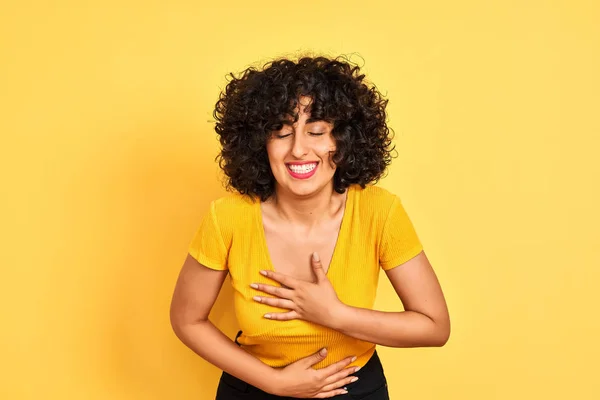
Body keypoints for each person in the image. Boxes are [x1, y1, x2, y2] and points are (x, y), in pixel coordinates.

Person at [169, 55, 450, 400]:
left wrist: (335, 314)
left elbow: (434, 327)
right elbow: (187, 320)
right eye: (282, 133)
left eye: (317, 131)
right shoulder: (227, 217)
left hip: (354, 389)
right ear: (260, 144)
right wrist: (274, 383)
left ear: (344, 141)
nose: (299, 149)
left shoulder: (379, 210)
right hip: (252, 389)